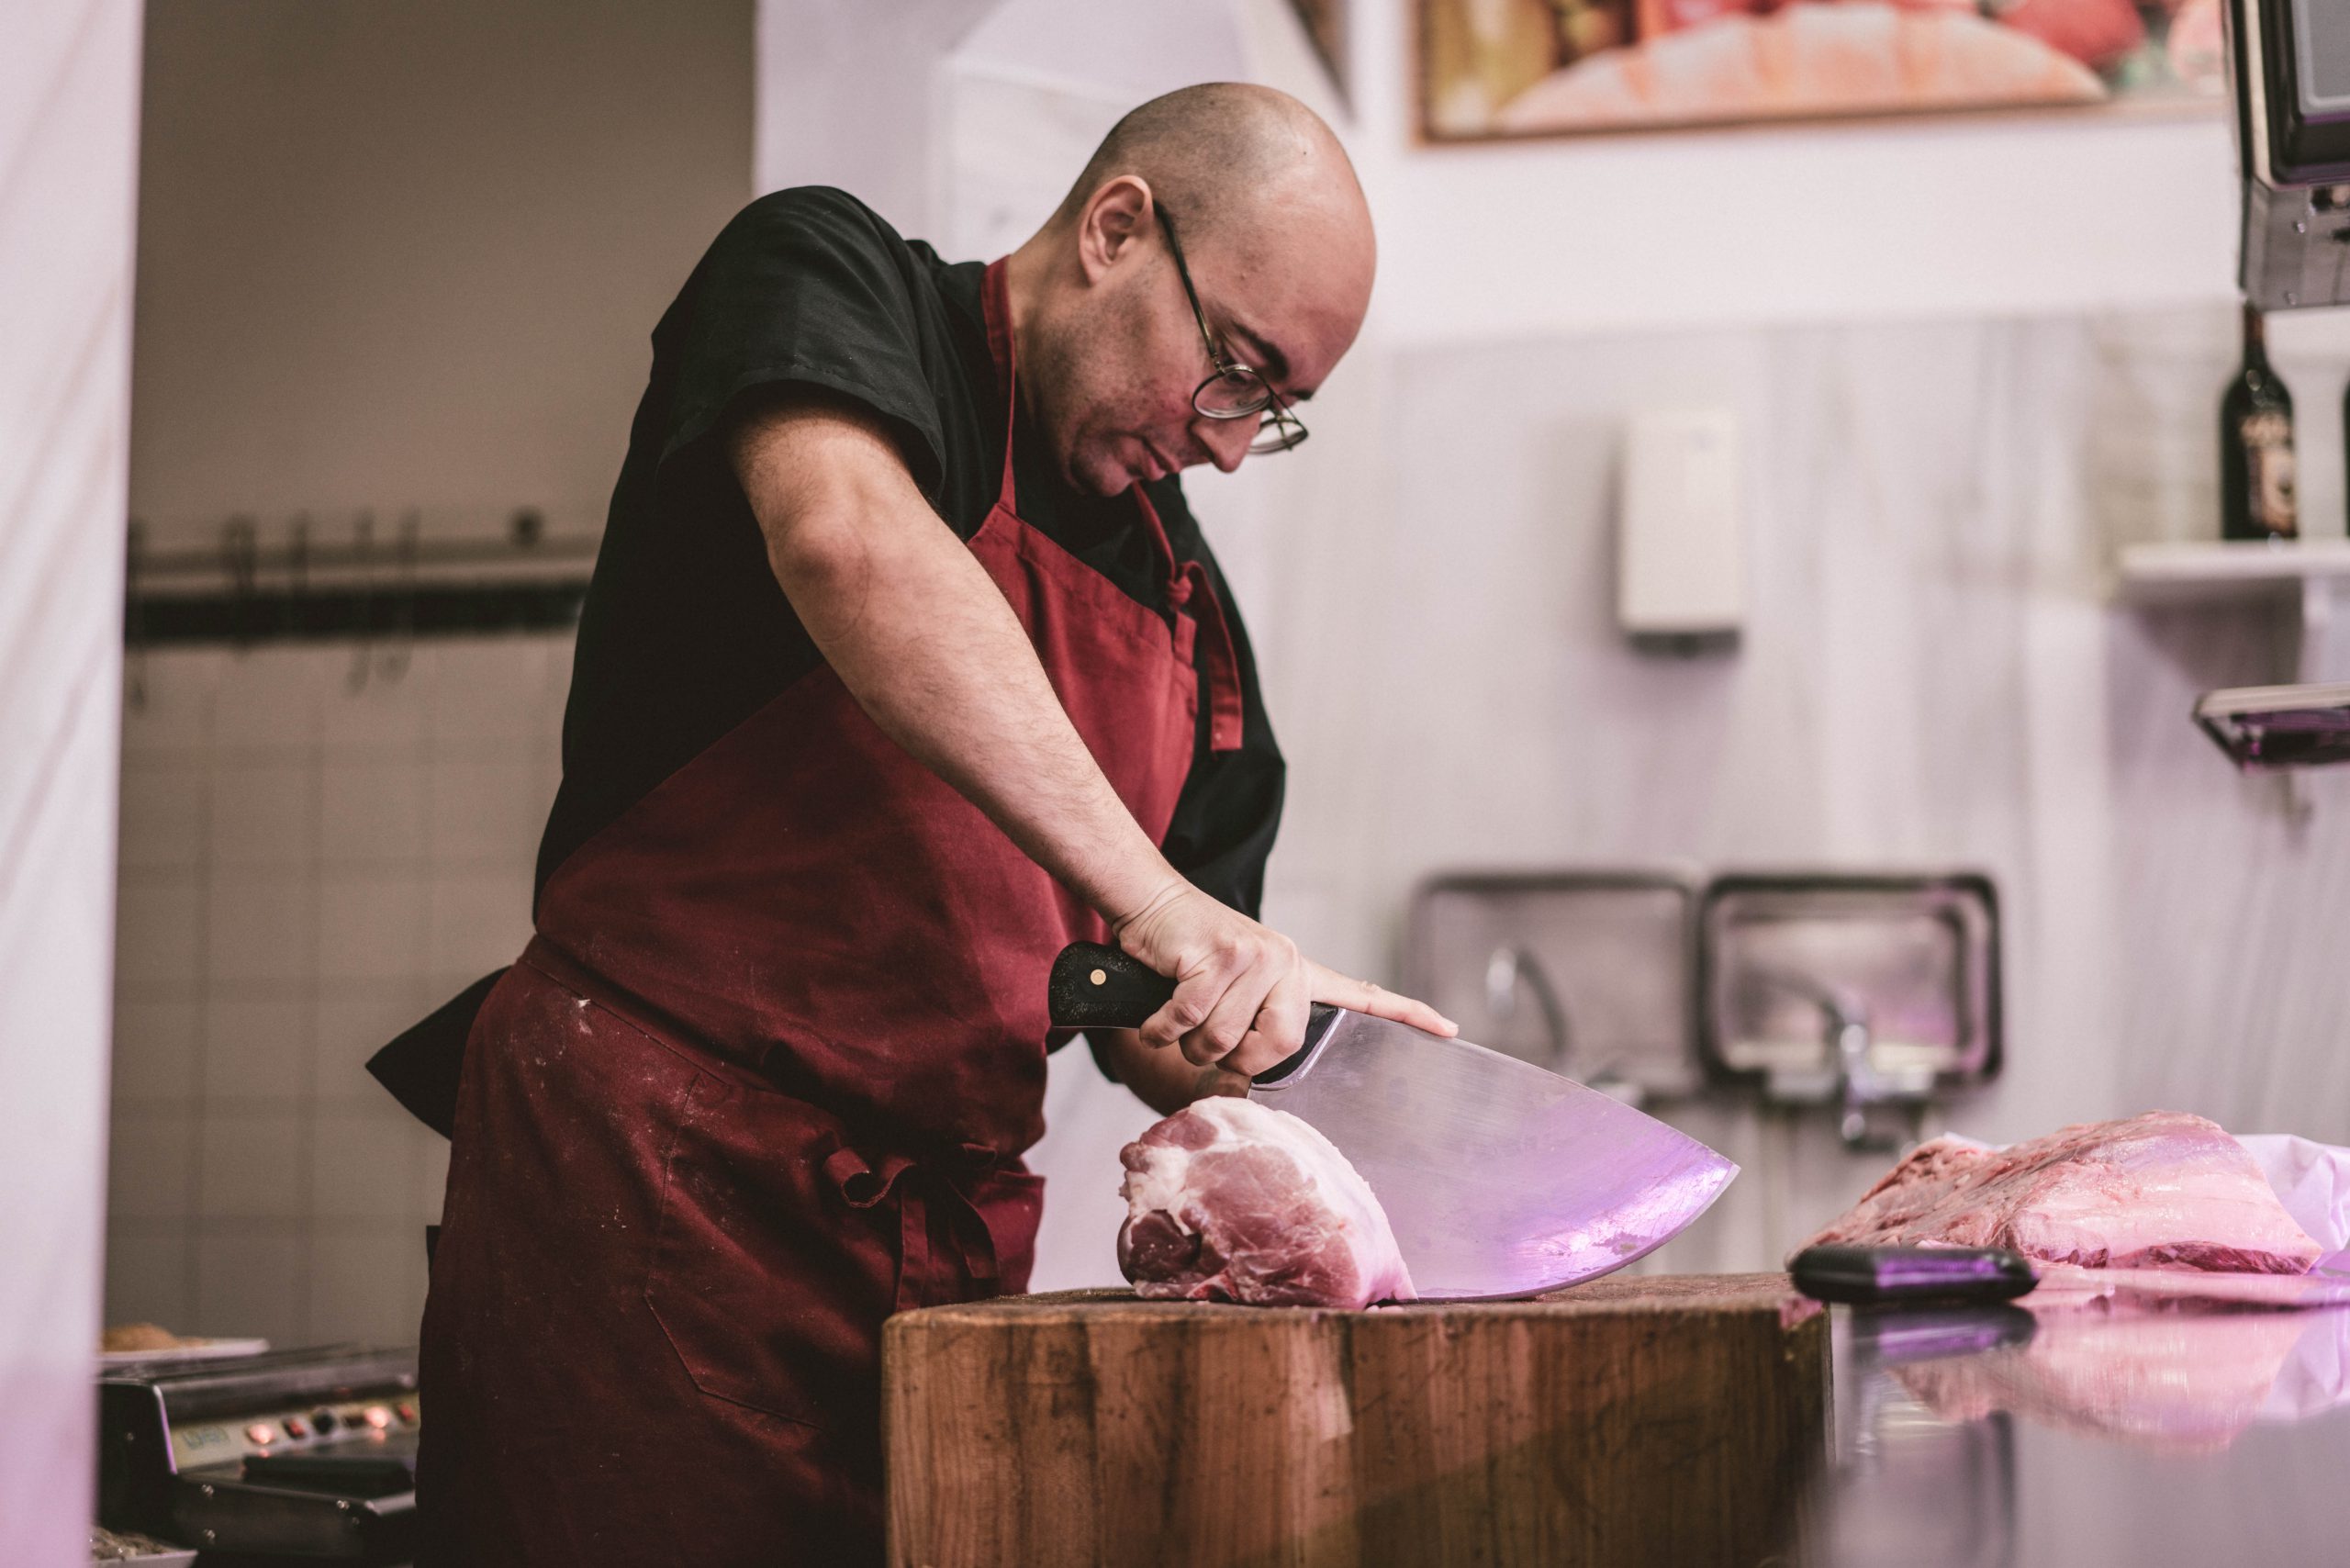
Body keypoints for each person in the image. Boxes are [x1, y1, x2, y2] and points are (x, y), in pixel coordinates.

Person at [386, 81, 1453, 1567]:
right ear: (1117, 227)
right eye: (1236, 371)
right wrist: (1164, 903)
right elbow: (848, 542)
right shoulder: (830, 282)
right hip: (651, 1187)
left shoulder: (1188, 609)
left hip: (936, 1275)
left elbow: (1154, 1005)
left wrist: (1298, 1031)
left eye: (1275, 416)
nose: (1227, 446)